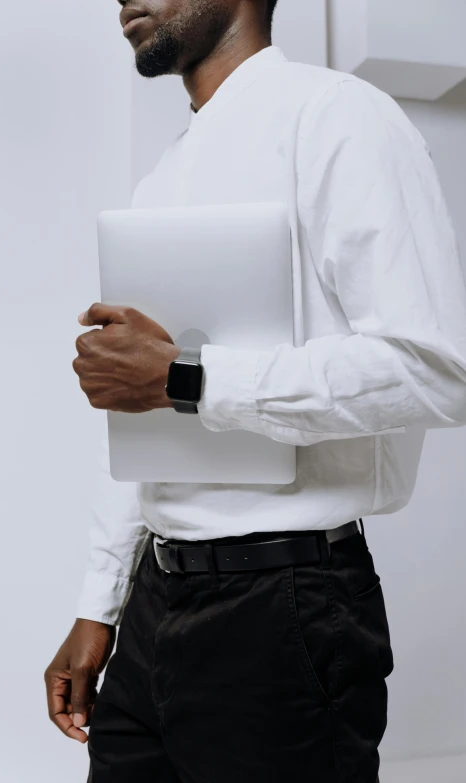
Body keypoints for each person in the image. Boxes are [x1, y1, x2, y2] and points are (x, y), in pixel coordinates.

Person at [44, 1, 466, 781]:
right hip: (152, 606)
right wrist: (98, 603)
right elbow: (146, 435)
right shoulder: (162, 177)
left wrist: (185, 377)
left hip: (287, 609)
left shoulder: (338, 117)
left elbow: (435, 368)